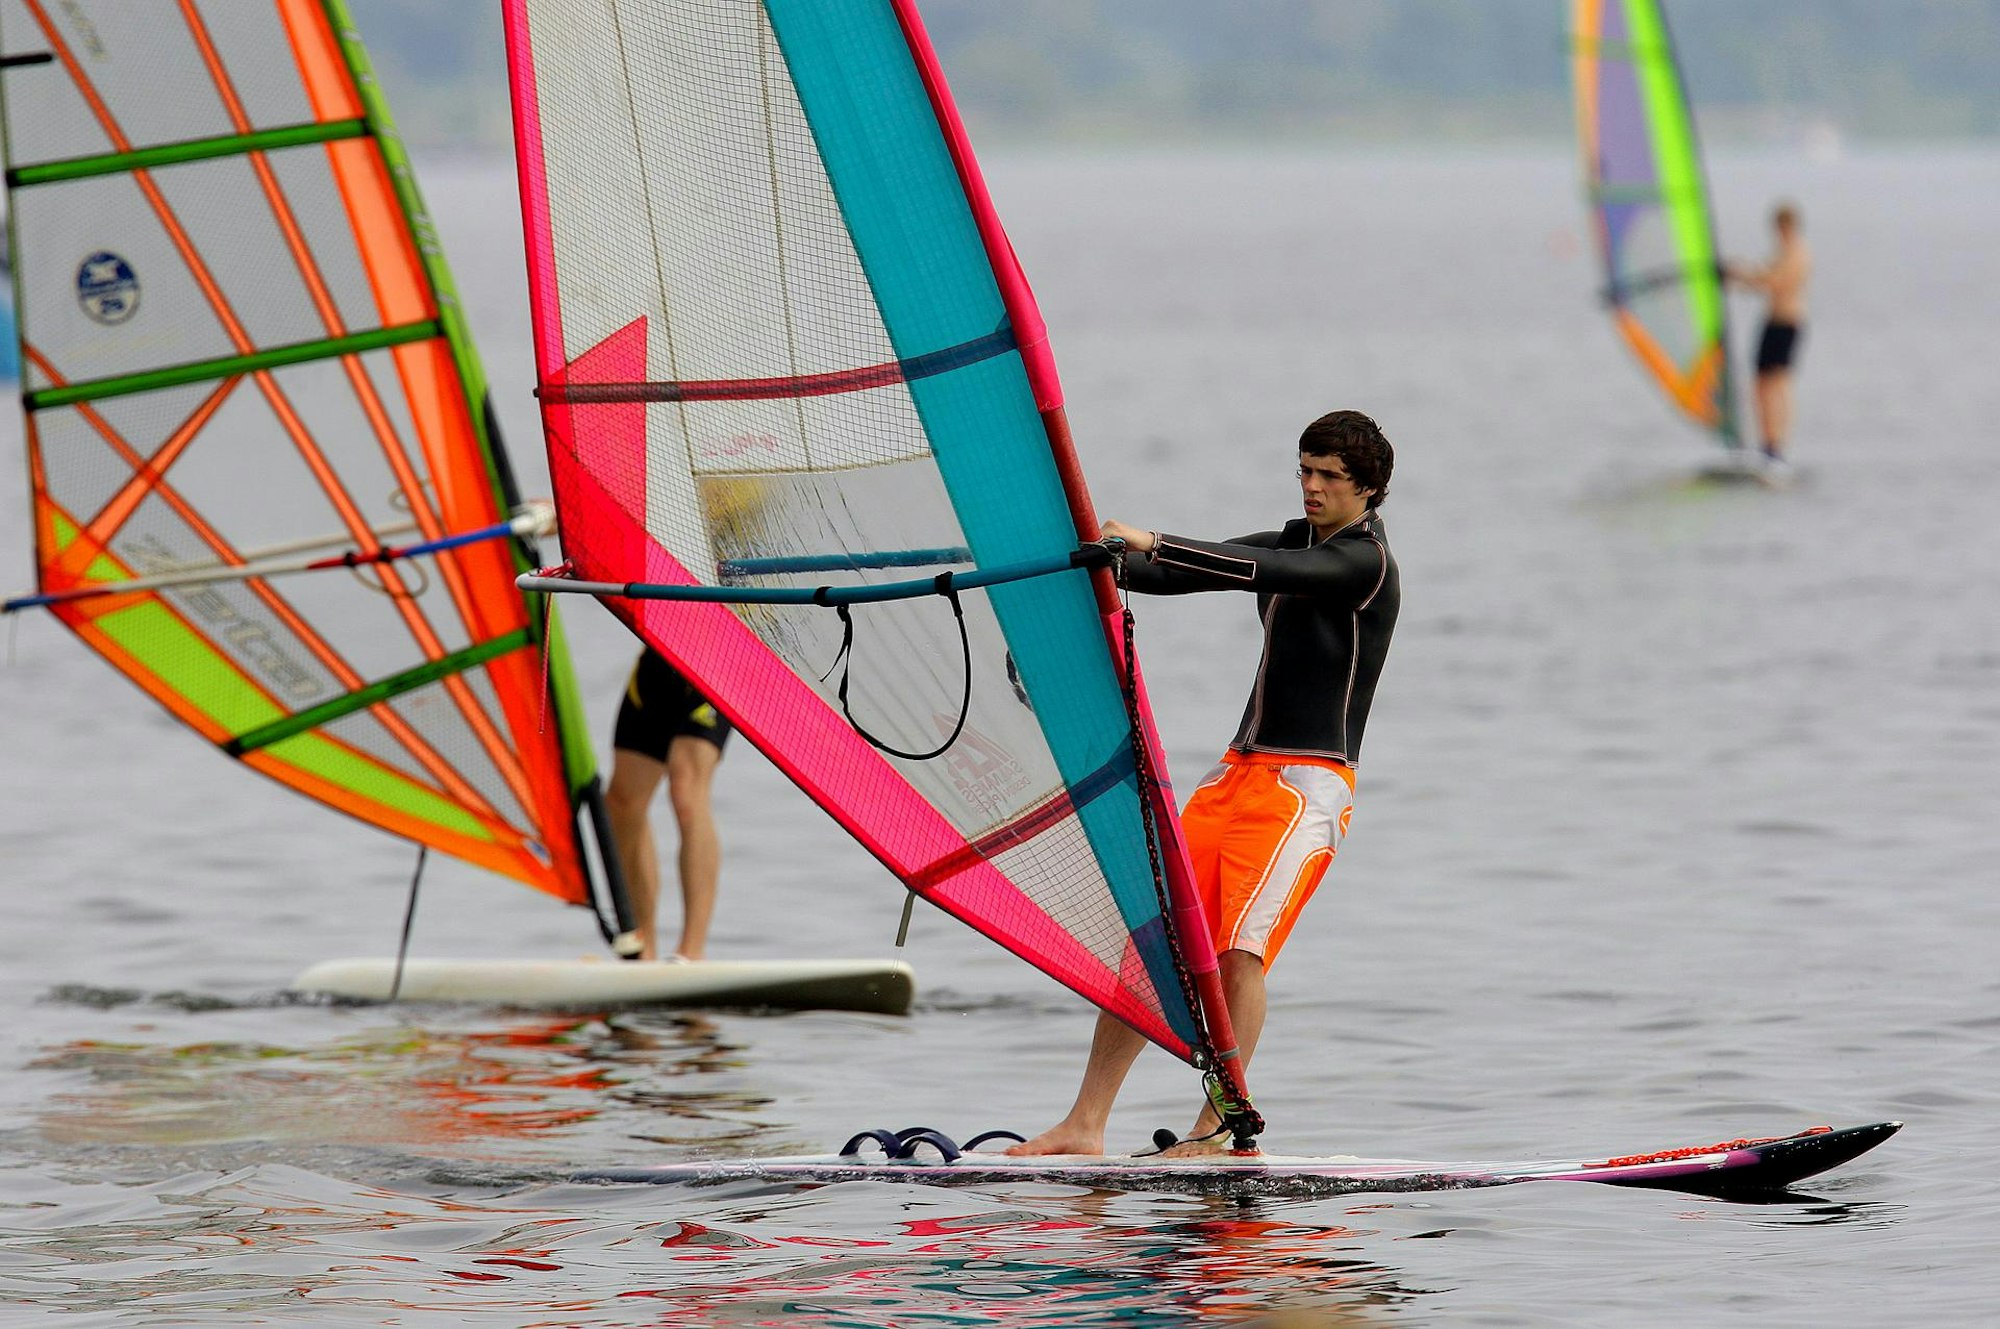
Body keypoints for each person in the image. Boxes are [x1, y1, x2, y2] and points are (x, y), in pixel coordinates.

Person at [1008, 409, 1400, 1157]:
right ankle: (1085, 1122)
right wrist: (1102, 560)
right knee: (1154, 942)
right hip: (1233, 774)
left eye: (1328, 477)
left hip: (1303, 786)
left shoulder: (1365, 564)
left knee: (1238, 955)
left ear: (1369, 489)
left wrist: (1156, 536)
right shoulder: (1298, 537)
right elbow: (1185, 571)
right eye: (1304, 471)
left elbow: (1258, 570)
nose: (1311, 487)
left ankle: (1218, 1126)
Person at [603, 647, 731, 962]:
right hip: (661, 656)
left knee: (686, 790)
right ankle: (643, 948)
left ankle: (692, 950)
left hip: (722, 657)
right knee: (622, 802)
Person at [1726, 202, 1812, 464]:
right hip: (1772, 322)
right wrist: (1737, 275)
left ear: (1790, 226)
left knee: (1778, 383)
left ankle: (1777, 445)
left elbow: (1775, 282)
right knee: (1760, 384)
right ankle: (1767, 441)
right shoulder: (1782, 251)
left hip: (1787, 323)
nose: (1779, 232)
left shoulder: (1798, 253)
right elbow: (1763, 275)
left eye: (1782, 227)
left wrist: (1742, 277)